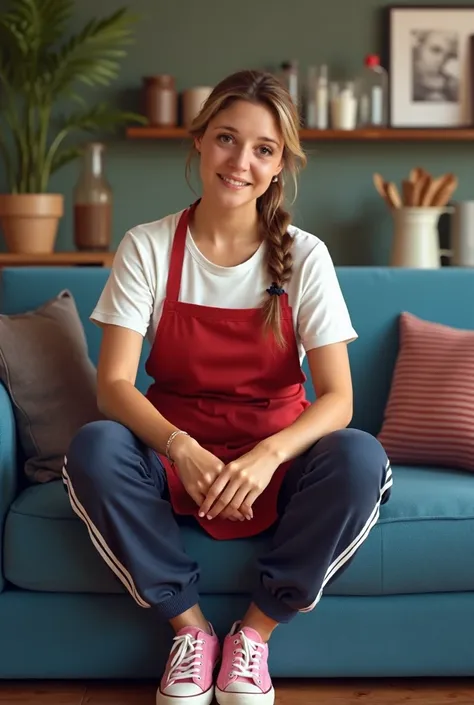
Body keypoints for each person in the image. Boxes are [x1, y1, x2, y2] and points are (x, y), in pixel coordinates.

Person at [63, 69, 392, 705]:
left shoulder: (305, 257)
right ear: (198, 143)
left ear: (280, 166)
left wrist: (267, 455)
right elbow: (113, 386)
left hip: (275, 454)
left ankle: (254, 637)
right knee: (96, 446)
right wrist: (182, 448)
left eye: (263, 149)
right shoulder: (148, 247)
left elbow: (338, 400)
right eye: (226, 139)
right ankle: (191, 632)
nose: (240, 161)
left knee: (360, 456)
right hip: (172, 448)